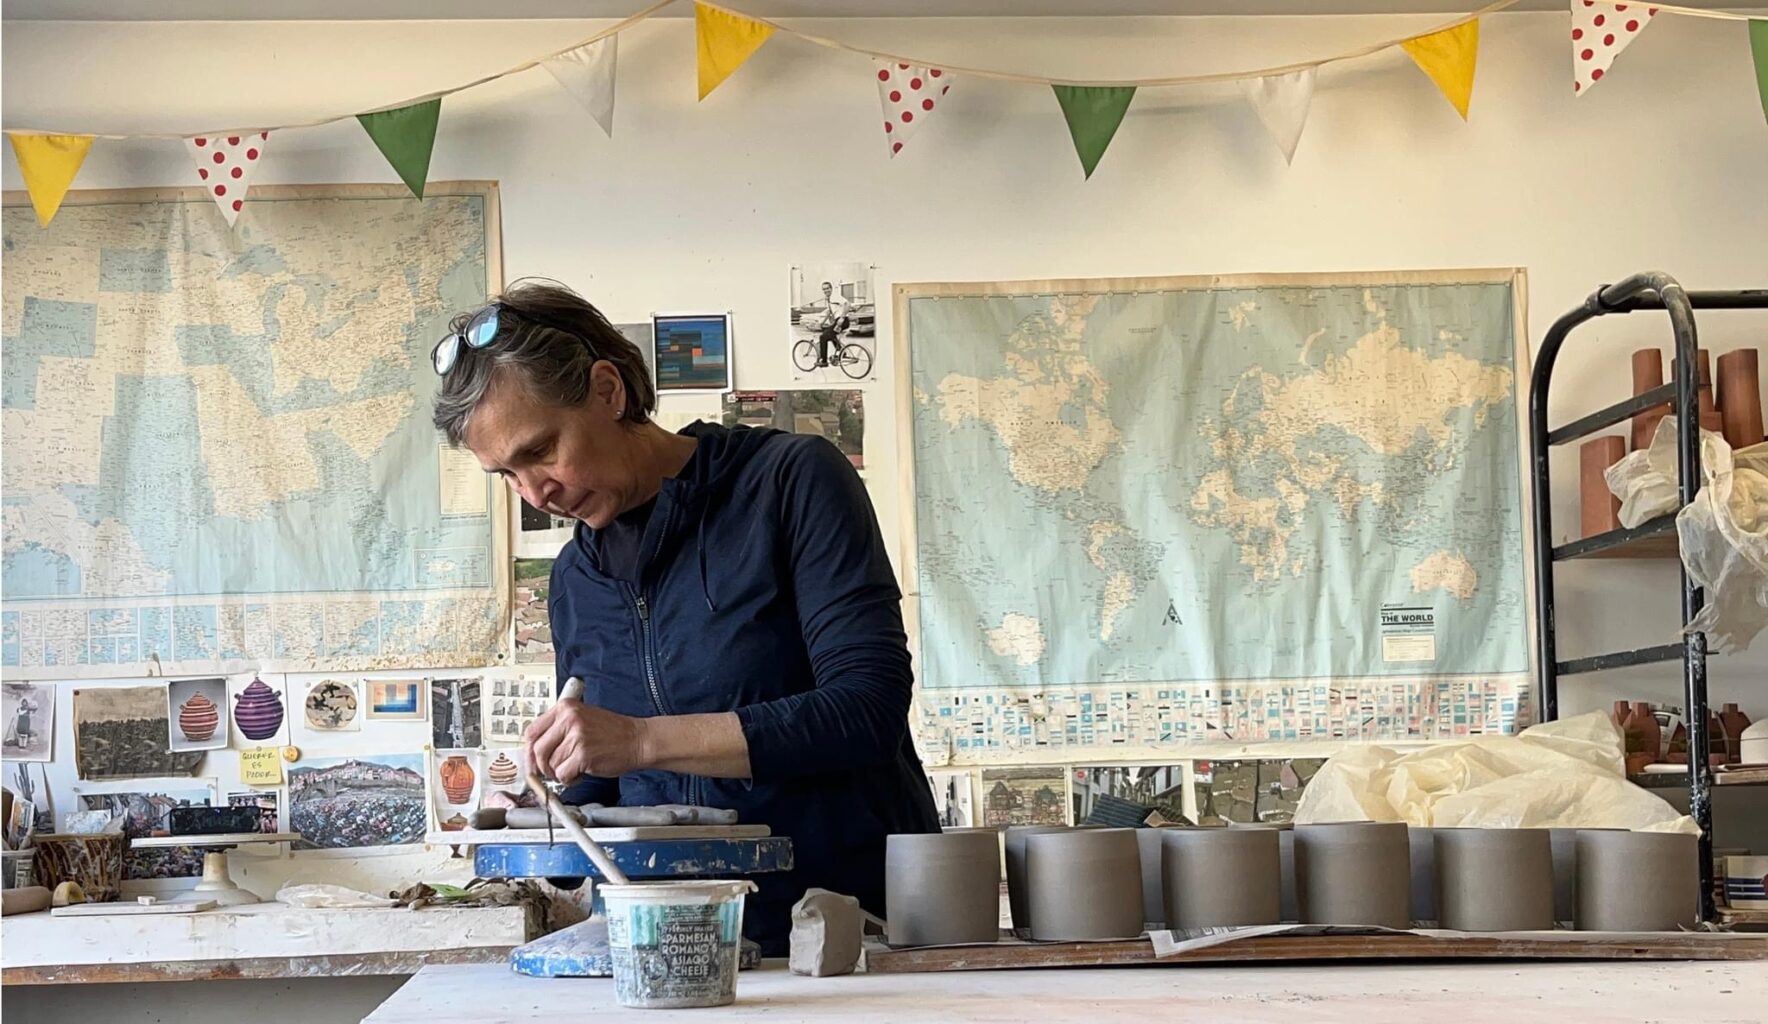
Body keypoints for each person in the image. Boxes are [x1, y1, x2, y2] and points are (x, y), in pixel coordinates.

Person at [431, 279, 939, 953]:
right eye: (506, 474)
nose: (534, 493)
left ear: (607, 390)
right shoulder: (576, 579)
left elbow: (868, 709)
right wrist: (546, 808)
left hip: (850, 937)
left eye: (540, 450)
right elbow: (604, 782)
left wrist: (643, 740)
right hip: (678, 949)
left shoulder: (790, 482)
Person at [814, 280, 849, 368]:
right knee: (829, 333)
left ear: (831, 288)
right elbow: (829, 312)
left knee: (823, 337)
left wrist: (842, 318)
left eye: (827, 288)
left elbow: (847, 304)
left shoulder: (835, 297)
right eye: (824, 289)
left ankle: (824, 361)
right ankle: (842, 352)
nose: (826, 291)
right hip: (840, 321)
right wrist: (821, 323)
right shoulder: (830, 299)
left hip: (842, 321)